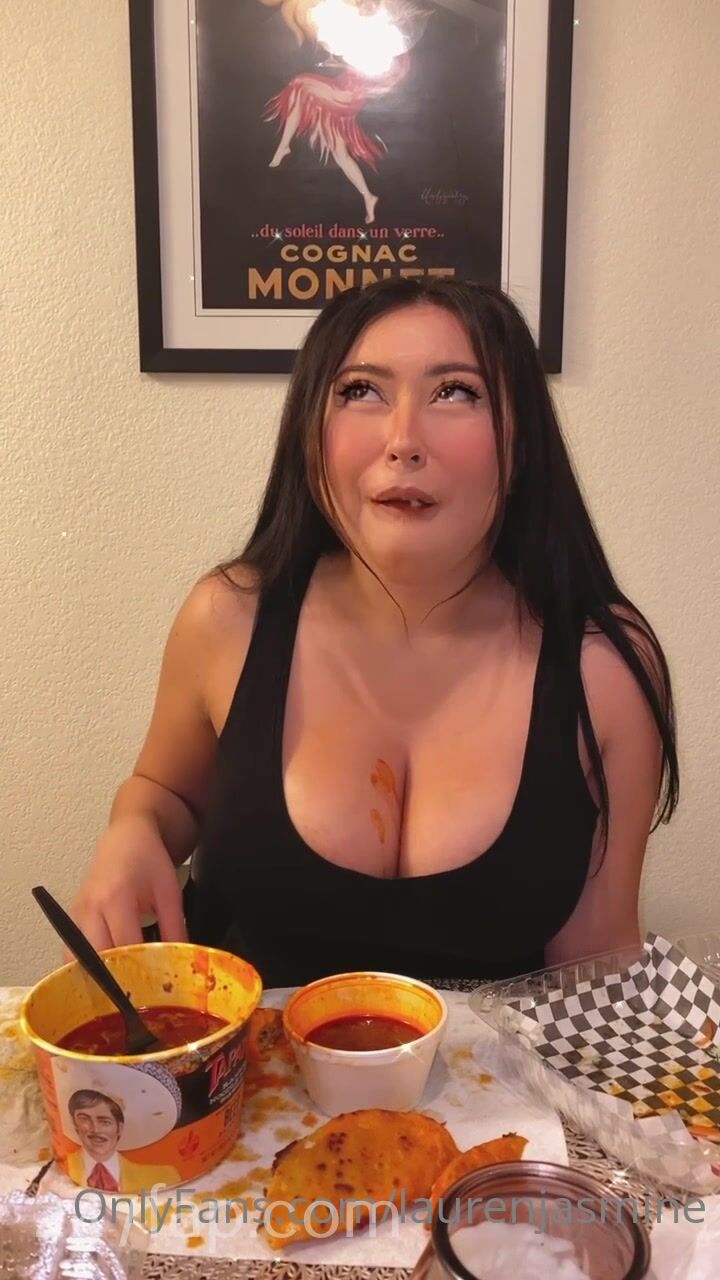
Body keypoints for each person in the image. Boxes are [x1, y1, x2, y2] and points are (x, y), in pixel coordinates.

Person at [69, 278, 678, 986]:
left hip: (496, 1062)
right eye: (361, 390)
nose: (403, 440)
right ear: (310, 434)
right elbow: (165, 791)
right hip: (246, 1054)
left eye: (457, 392)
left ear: (521, 447)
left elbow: (595, 968)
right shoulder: (227, 617)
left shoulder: (604, 665)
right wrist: (133, 829)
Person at [66, 1090, 179, 1194]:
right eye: (84, 1119)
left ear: (119, 1128)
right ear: (75, 1124)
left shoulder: (164, 1176)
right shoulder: (66, 1165)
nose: (95, 1129)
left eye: (105, 1122)